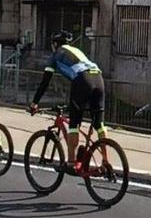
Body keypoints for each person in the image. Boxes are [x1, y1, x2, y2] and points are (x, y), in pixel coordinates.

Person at [29, 31, 106, 168]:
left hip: (83, 80)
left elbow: (45, 82)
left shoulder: (56, 55)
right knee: (99, 125)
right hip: (98, 78)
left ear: (55, 44)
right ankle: (106, 161)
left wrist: (34, 103)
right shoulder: (76, 50)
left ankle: (71, 163)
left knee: (74, 125)